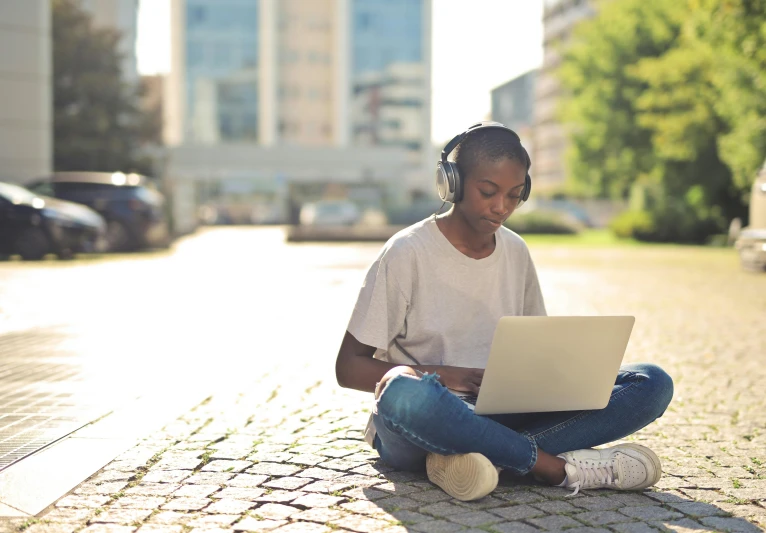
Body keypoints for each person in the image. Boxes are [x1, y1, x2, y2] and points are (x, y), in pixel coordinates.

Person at [335, 122, 674, 501]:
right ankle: (554, 468)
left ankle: (474, 458)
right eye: (488, 192)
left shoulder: (516, 251)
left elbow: (535, 349)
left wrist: (562, 375)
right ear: (453, 184)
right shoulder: (406, 252)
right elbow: (349, 367)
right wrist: (447, 376)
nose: (502, 207)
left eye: (514, 195)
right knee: (402, 392)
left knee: (651, 383)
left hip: (501, 409)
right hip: (423, 419)